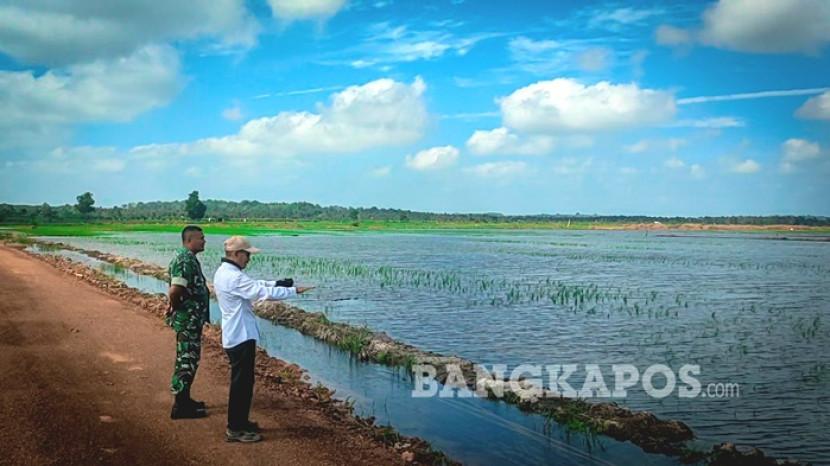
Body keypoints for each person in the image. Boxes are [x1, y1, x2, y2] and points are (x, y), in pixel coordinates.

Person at [214, 236, 312, 443]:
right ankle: (235, 428)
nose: (249, 259)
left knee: (244, 382)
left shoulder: (226, 272)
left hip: (236, 334)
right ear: (236, 254)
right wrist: (293, 290)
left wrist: (277, 283)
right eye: (247, 254)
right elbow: (261, 292)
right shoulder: (233, 277)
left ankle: (240, 422)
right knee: (241, 385)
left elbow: (255, 284)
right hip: (240, 336)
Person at [166, 225, 211, 419]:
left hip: (192, 320)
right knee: (186, 360)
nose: (204, 241)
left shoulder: (189, 258)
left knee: (190, 359)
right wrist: (177, 307)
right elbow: (175, 290)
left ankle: (185, 399)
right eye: (201, 238)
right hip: (188, 320)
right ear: (189, 240)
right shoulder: (184, 260)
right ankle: (180, 406)